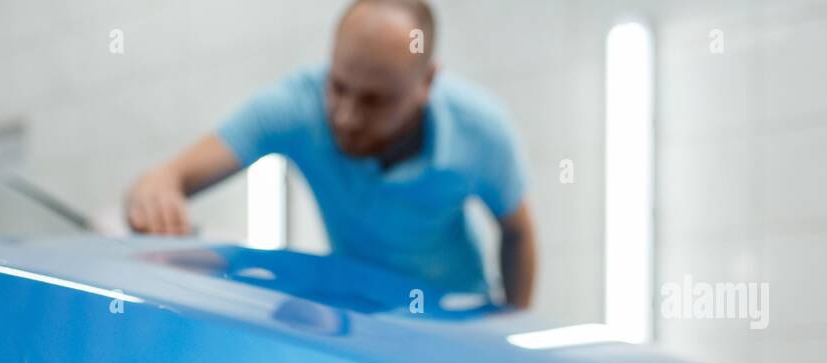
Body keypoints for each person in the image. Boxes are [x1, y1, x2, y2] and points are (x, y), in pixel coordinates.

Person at [124, 0, 536, 306]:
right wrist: (155, 192)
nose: (346, 117)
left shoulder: (480, 131)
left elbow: (517, 232)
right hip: (359, 308)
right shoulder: (296, 105)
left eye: (375, 101)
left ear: (427, 81)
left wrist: (513, 323)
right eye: (338, 86)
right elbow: (169, 177)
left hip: (455, 309)